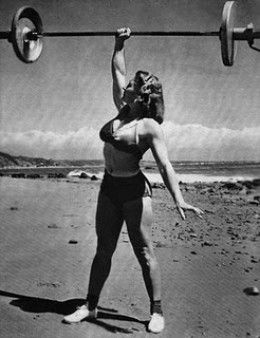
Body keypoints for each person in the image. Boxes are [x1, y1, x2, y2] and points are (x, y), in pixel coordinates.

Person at [63, 27, 203, 333]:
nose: (124, 86)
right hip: (109, 187)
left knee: (143, 251)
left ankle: (157, 311)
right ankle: (90, 305)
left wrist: (179, 198)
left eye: (131, 85)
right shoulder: (121, 110)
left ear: (142, 95)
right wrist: (119, 43)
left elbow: (165, 164)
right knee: (104, 249)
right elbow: (117, 68)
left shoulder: (149, 126)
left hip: (135, 192)